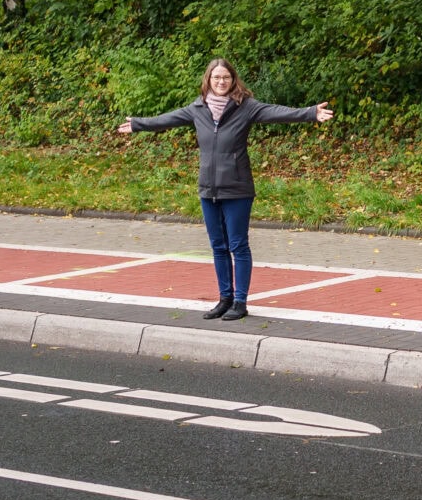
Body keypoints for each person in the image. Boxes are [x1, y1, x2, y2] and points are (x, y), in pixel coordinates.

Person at [119, 60, 332, 321]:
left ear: (233, 80)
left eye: (226, 78)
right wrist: (139, 124)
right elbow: (168, 119)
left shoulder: (246, 107)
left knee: (238, 245)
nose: (221, 82)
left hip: (238, 188)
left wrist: (311, 113)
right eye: (216, 77)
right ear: (208, 80)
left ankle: (240, 302)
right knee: (218, 246)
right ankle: (225, 298)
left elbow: (276, 112)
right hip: (208, 189)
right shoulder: (197, 109)